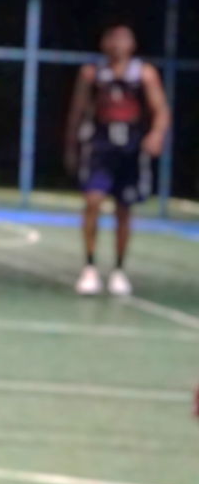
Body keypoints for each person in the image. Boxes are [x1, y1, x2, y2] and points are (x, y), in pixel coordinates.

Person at [65, 24, 169, 297]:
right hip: (100, 145)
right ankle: (89, 266)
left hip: (131, 148)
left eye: (123, 39)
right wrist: (71, 145)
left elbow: (161, 110)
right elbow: (77, 111)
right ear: (103, 43)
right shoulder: (92, 73)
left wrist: (156, 135)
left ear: (132, 44)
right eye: (112, 38)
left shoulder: (144, 74)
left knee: (124, 209)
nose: (117, 44)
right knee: (93, 201)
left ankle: (119, 270)